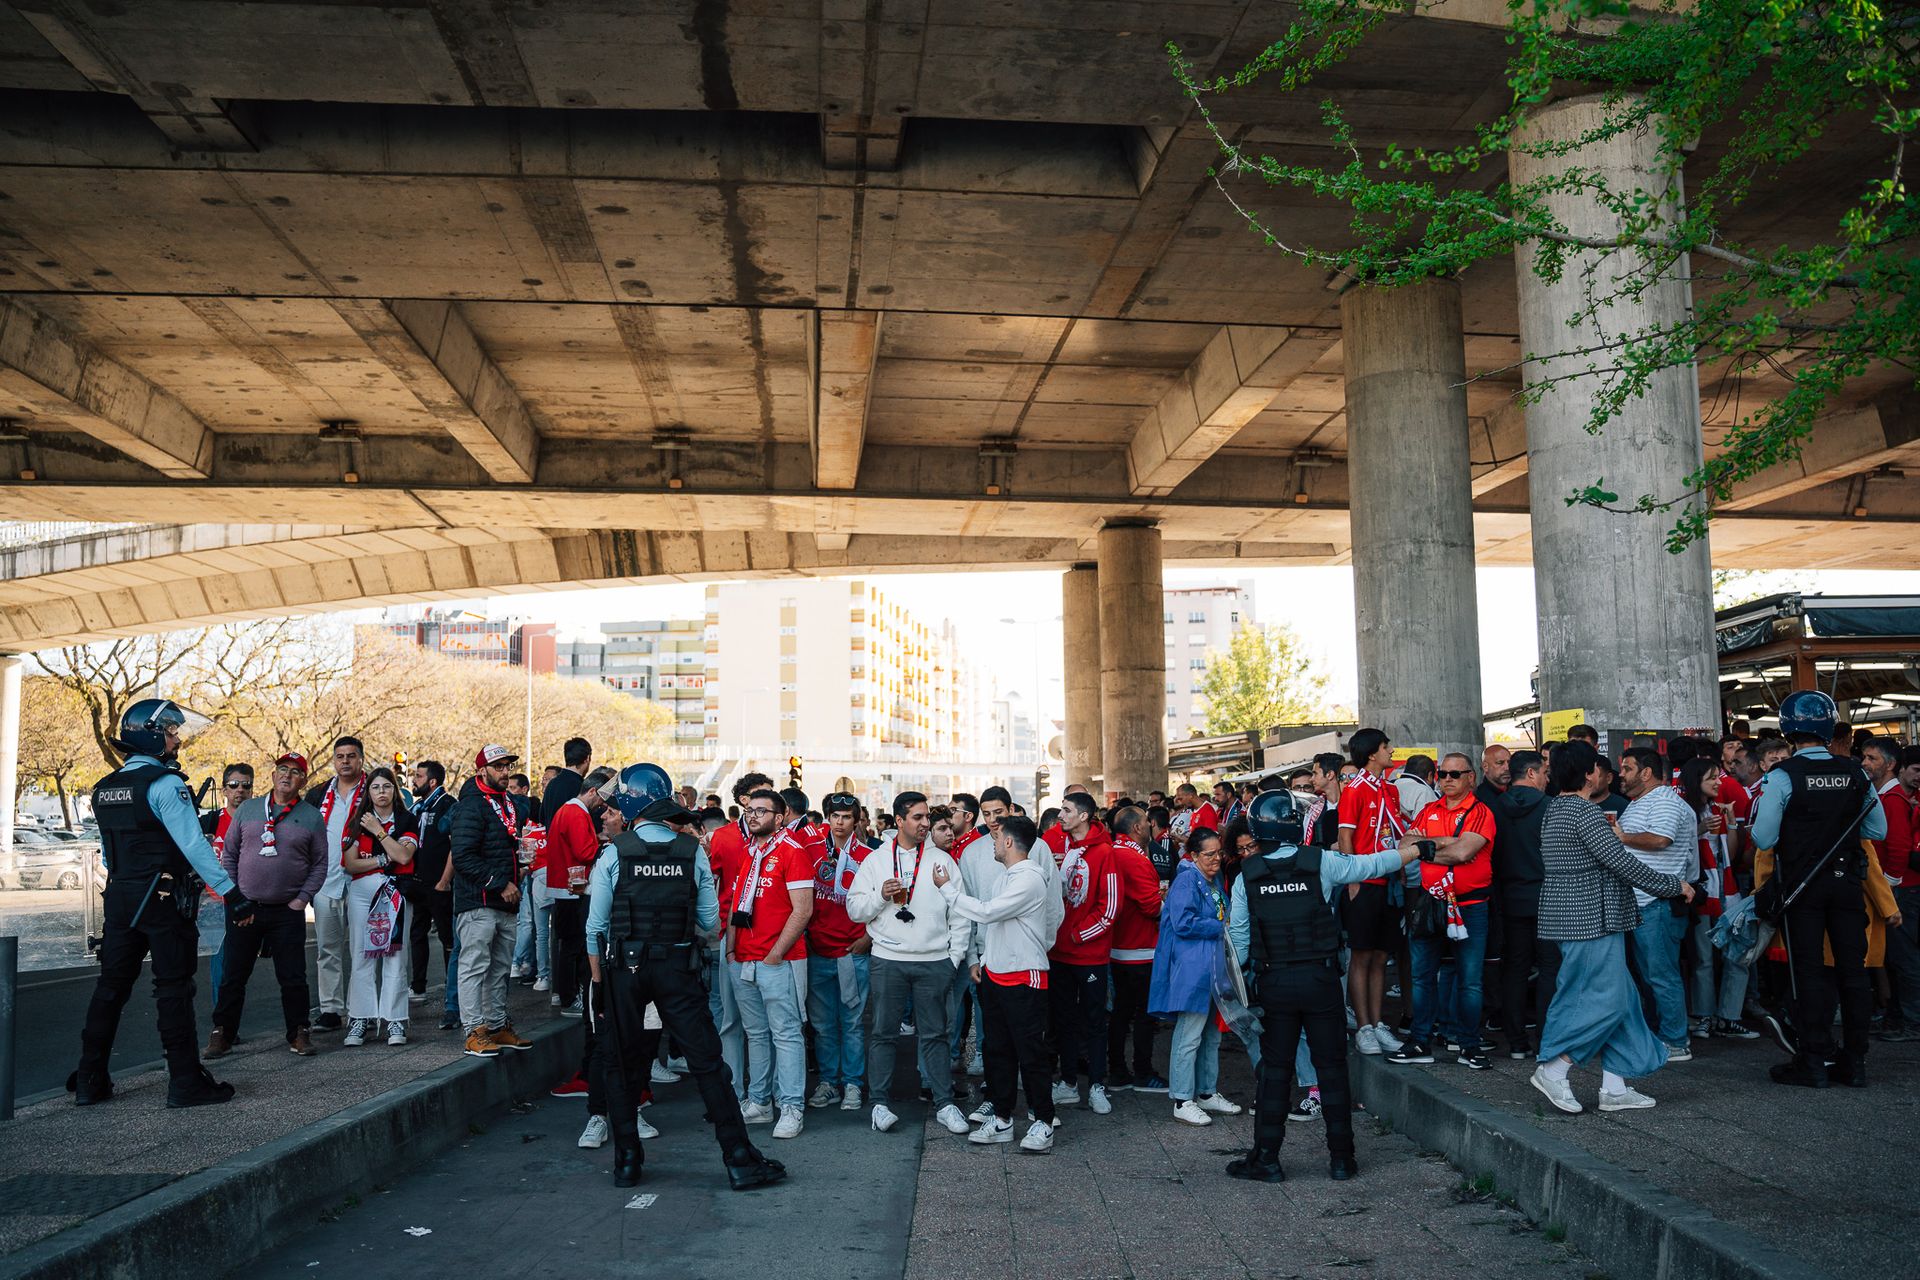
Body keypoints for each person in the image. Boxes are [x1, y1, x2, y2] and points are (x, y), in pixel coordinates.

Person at [585, 785, 785, 1191]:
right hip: (677, 966)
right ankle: (739, 1159)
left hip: (624, 968)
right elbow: (711, 920)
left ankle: (626, 1160)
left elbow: (595, 929)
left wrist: (599, 984)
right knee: (707, 1062)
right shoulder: (690, 851)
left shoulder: (612, 852)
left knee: (621, 1061)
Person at [1226, 789, 1432, 1182]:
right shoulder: (1321, 862)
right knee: (1332, 1068)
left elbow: (1237, 946)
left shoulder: (1245, 879)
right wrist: (1414, 853)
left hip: (1276, 984)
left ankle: (1266, 1159)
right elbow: (1371, 864)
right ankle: (1342, 1159)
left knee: (1275, 1071)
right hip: (1321, 981)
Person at [71, 699, 248, 1108]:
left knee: (110, 988)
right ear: (150, 735)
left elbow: (109, 854)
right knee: (173, 988)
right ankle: (185, 1082)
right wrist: (232, 892)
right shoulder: (165, 784)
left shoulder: (104, 789)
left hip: (120, 899)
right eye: (171, 732)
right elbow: (193, 846)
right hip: (164, 901)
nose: (176, 740)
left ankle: (89, 1078)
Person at [1530, 742, 1694, 1116]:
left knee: (1623, 1000)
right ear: (1588, 774)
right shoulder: (1583, 813)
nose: (1608, 775)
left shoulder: (1556, 809)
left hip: (1575, 917)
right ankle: (1555, 1068)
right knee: (1602, 999)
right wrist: (1675, 886)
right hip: (1591, 919)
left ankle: (1615, 1087)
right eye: (1600, 769)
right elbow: (1623, 863)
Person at [1750, 690, 1887, 1087]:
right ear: (1828, 727)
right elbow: (1877, 829)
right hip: (1848, 885)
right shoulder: (1857, 772)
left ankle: (1813, 1060)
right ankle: (1855, 1062)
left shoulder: (1781, 776)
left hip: (1801, 887)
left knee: (1808, 972)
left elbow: (1762, 838)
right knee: (1853, 973)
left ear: (1788, 730)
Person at [933, 815, 1062, 1154]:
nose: (991, 841)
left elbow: (989, 913)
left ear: (1008, 842)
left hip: (1025, 977)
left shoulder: (1031, 877)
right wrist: (983, 961)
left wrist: (947, 889)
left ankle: (1043, 1122)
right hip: (996, 975)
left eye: (996, 837)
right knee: (997, 1051)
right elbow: (991, 923)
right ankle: (1002, 1117)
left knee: (1031, 1053)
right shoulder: (1006, 876)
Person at [846, 791, 971, 1136]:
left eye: (926, 817)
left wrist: (953, 958)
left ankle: (945, 1104)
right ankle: (881, 1105)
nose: (925, 824)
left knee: (936, 1034)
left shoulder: (941, 860)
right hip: (888, 958)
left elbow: (960, 913)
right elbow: (854, 909)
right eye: (917, 817)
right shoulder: (875, 860)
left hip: (934, 961)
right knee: (884, 1033)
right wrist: (879, 896)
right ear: (899, 821)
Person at [208, 751, 325, 1059]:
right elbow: (229, 855)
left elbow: (320, 864)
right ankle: (222, 1032)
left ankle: (299, 1032)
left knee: (293, 976)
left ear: (302, 780)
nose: (287, 775)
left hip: (287, 909)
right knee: (233, 974)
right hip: (246, 908)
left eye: (295, 772)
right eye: (282, 769)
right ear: (273, 776)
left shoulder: (311, 816)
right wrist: (235, 898)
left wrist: (302, 899)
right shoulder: (248, 809)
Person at [1389, 753, 1498, 1070]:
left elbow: (1465, 850)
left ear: (1470, 778)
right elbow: (1404, 848)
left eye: (1455, 774)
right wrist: (1445, 845)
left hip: (1470, 906)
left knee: (1470, 981)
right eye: (1442, 773)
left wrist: (1426, 849)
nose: (1447, 779)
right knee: (1422, 977)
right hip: (1430, 903)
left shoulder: (1481, 813)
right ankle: (1420, 1041)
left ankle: (1469, 1045)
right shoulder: (1428, 809)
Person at [726, 788, 814, 1139]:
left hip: (779, 959)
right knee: (756, 1035)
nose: (752, 815)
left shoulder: (792, 851)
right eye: (749, 810)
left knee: (787, 1034)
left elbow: (803, 909)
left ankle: (792, 1105)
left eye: (761, 811)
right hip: (744, 959)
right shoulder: (749, 852)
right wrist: (732, 950)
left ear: (779, 817)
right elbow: (736, 904)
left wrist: (776, 952)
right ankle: (760, 1101)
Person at [1148, 832, 1242, 1125]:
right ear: (1193, 855)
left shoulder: (1208, 879)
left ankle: (1205, 1092)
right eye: (1209, 854)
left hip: (1210, 967)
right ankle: (1181, 1098)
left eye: (1219, 854)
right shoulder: (1187, 880)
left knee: (1211, 1035)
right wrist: (1219, 925)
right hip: (1192, 969)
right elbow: (1183, 922)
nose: (1216, 859)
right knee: (1190, 1035)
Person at [1617, 746, 1703, 1062]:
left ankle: (1676, 1041)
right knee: (1650, 975)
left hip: (1658, 904)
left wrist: (1622, 838)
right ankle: (1660, 1034)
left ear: (1647, 772)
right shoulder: (1640, 803)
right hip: (1643, 903)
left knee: (1661, 975)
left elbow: (1661, 840)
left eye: (1627, 768)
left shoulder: (1666, 802)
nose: (1621, 775)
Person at [451, 744, 534, 1059]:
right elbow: (463, 857)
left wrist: (519, 867)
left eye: (507, 766)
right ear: (481, 771)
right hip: (479, 902)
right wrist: (500, 882)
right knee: (474, 966)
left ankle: (497, 1025)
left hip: (505, 902)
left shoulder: (508, 803)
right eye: (497, 766)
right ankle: (474, 1030)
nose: (504, 772)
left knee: (499, 968)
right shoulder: (471, 807)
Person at [1040, 791, 1119, 1114]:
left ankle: (1097, 1085)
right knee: (1062, 1021)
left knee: (1094, 1021)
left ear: (1084, 816)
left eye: (1067, 810)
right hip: (1056, 953)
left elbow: (1110, 906)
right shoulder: (1051, 841)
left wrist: (1077, 934)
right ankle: (1069, 1082)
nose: (1061, 815)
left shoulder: (1105, 852)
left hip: (1089, 954)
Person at [1336, 728, 1404, 1057]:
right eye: (1385, 746)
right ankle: (1362, 1026)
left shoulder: (1390, 791)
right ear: (1372, 754)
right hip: (1364, 881)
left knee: (1380, 956)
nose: (1390, 751)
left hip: (1389, 881)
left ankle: (1377, 1023)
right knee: (1361, 956)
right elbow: (1346, 837)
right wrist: (1352, 880)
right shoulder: (1355, 790)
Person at [805, 791, 873, 1112]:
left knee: (853, 1023)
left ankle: (853, 1084)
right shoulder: (811, 851)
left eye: (847, 817)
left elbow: (882, 902)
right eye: (835, 816)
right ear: (827, 818)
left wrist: (868, 938)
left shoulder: (870, 855)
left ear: (856, 821)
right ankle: (829, 1081)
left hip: (853, 951)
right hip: (818, 951)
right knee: (822, 1025)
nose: (840, 823)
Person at [706, 771, 772, 1095]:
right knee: (731, 1019)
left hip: (770, 938)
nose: (769, 801)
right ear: (745, 800)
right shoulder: (723, 838)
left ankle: (765, 1090)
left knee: (766, 1022)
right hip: (731, 935)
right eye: (762, 795)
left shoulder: (781, 838)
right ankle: (733, 1089)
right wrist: (717, 925)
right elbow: (709, 883)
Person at [340, 766, 417, 1046]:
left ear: (394, 790)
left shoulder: (407, 819)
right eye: (375, 787)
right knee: (362, 954)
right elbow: (351, 864)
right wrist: (384, 860)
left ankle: (395, 1020)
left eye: (386, 786)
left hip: (395, 891)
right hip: (362, 893)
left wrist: (379, 832)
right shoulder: (356, 820)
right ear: (368, 792)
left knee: (395, 955)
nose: (381, 792)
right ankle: (360, 1018)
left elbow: (405, 857)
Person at [1490, 750, 1557, 1059]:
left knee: (1514, 968)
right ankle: (1547, 1039)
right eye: (1543, 772)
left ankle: (1516, 1040)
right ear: (1531, 773)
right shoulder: (1549, 807)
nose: (1547, 778)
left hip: (1508, 896)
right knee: (1549, 970)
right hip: (1546, 897)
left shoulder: (1493, 808)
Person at [306, 736, 369, 1032]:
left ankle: (364, 1009)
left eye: (351, 756)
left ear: (361, 760)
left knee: (364, 949)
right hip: (326, 881)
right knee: (327, 949)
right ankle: (331, 1009)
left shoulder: (374, 789)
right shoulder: (319, 793)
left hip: (362, 880)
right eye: (340, 756)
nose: (345, 761)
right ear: (334, 760)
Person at [1864, 741, 1919, 1041]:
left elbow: (1898, 848)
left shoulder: (1893, 798)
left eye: (1872, 758)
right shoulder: (1889, 796)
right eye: (1865, 757)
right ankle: (1897, 1016)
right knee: (1893, 958)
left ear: (1890, 765)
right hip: (1896, 889)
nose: (1865, 763)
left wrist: (1887, 885)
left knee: (1904, 958)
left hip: (1902, 891)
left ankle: (1912, 1021)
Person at [1106, 805, 1164, 1091]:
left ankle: (1117, 1070)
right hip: (1140, 948)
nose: (1151, 825)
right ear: (1138, 828)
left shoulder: (1112, 851)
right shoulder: (1134, 858)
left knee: (1121, 1011)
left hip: (1117, 946)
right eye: (1146, 821)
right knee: (1144, 1014)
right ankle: (1142, 1071)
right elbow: (1152, 906)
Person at [407, 760, 458, 1025]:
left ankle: (453, 992)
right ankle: (418, 985)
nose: (414, 780)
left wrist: (444, 880)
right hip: (417, 883)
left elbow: (454, 845)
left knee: (448, 937)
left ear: (433, 782)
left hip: (440, 884)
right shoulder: (416, 807)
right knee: (417, 934)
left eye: (418, 776)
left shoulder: (448, 805)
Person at [198, 762, 253, 998]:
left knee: (241, 966)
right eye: (233, 785)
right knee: (221, 963)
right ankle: (222, 1023)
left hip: (249, 902)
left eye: (245, 785)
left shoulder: (258, 822)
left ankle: (231, 1018)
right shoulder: (210, 822)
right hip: (216, 905)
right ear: (224, 790)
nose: (239, 790)